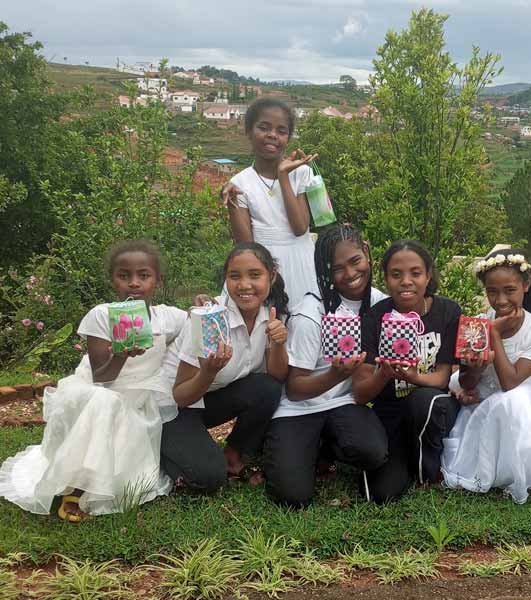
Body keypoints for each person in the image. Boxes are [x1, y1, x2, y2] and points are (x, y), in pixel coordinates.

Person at [0, 241, 186, 521]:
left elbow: (194, 322)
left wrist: (203, 303)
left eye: (144, 275)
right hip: (97, 390)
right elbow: (102, 376)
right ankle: (75, 486)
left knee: (116, 408)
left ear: (158, 280)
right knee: (105, 401)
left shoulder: (167, 318)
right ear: (113, 279)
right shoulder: (101, 315)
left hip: (138, 398)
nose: (134, 283)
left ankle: (98, 480)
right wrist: (121, 354)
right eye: (124, 275)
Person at [263, 224, 389, 507]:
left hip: (343, 403)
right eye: (337, 268)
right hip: (298, 409)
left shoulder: (380, 304)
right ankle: (294, 447)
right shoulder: (312, 313)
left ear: (366, 252)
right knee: (292, 496)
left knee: (373, 452)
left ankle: (327, 448)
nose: (350, 274)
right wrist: (335, 374)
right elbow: (294, 388)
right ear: (326, 271)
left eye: (355, 261)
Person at [441, 249, 531, 506]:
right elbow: (468, 382)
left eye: (509, 290)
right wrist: (474, 369)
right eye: (492, 291)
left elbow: (511, 383)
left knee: (516, 399)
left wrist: (493, 334)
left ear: (526, 286)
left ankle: (525, 473)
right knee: (505, 401)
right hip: (483, 408)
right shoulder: (476, 326)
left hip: (525, 408)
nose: (501, 299)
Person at [160, 242, 288, 491]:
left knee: (267, 388)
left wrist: (279, 343)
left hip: (208, 401)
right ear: (225, 279)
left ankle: (234, 454)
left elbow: (276, 378)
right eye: (234, 276)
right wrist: (208, 371)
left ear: (271, 276)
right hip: (171, 409)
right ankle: (159, 448)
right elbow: (179, 396)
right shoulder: (208, 320)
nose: (244, 285)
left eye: (255, 275)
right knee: (208, 477)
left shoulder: (269, 317)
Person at [353, 240, 462, 502]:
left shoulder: (447, 312)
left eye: (415, 273)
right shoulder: (374, 318)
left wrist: (414, 377)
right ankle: (407, 458)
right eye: (396, 274)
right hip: (390, 411)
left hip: (432, 406)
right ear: (386, 279)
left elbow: (443, 377)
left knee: (422, 400)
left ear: (428, 276)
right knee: (381, 494)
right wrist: (384, 374)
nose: (406, 281)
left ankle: (428, 465)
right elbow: (360, 394)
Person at [220, 98, 319, 312]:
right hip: (261, 269)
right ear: (249, 131)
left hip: (301, 263)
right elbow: (245, 245)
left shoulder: (301, 173)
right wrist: (231, 204)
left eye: (281, 131)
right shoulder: (239, 183)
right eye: (263, 128)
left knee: (303, 321)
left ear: (288, 137)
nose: (272, 135)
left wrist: (284, 176)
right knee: (265, 328)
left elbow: (300, 227)